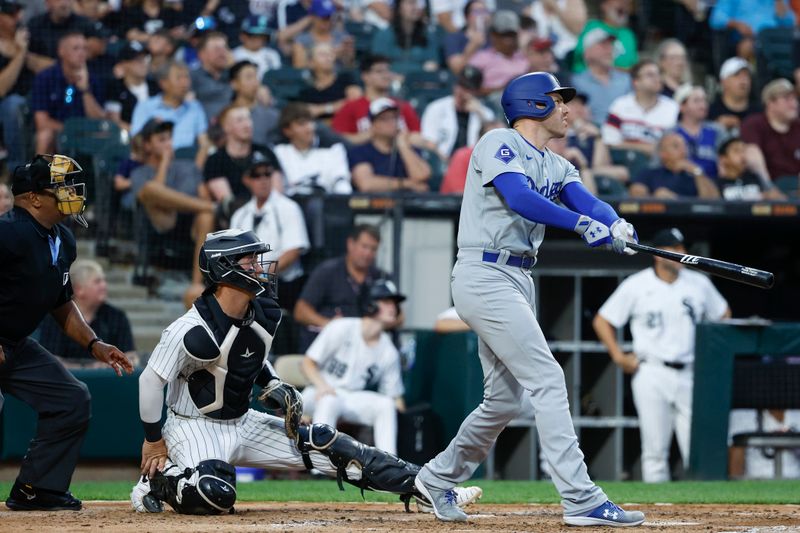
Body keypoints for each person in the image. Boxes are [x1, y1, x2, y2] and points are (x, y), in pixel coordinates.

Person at [412, 71, 645, 526]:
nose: (568, 109)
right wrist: (580, 226)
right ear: (534, 105)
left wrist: (615, 223)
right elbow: (518, 196)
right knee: (547, 378)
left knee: (503, 401)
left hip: (518, 279)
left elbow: (587, 200)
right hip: (483, 272)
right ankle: (580, 498)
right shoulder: (497, 141)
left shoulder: (557, 163)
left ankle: (438, 478)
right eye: (559, 101)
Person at [129, 229, 482, 515]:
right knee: (214, 493)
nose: (259, 266)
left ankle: (428, 486)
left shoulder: (263, 311)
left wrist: (273, 383)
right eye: (250, 260)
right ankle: (158, 481)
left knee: (331, 443)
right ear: (225, 269)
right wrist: (153, 440)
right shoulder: (190, 329)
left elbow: (248, 356)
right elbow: (150, 379)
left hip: (242, 422)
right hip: (193, 426)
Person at [0, 154, 133, 511]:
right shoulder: (8, 232)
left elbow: (61, 303)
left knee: (70, 399)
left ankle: (37, 488)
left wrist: (94, 342)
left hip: (13, 345)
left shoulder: (62, 239)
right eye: (61, 186)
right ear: (34, 198)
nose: (72, 192)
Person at [593, 227, 731, 482]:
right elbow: (603, 320)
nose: (682, 254)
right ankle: (658, 516)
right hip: (651, 372)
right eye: (675, 249)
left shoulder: (698, 283)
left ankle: (705, 512)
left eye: (682, 248)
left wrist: (710, 358)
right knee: (654, 450)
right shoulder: (637, 285)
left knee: (696, 449)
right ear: (658, 254)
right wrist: (618, 356)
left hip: (691, 372)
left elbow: (723, 316)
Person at [301, 280, 407, 455]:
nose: (393, 308)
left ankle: (388, 464)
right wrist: (322, 386)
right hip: (317, 393)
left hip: (350, 398)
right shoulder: (341, 327)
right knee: (330, 400)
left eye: (395, 304)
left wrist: (403, 415)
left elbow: (393, 395)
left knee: (385, 405)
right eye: (387, 302)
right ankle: (320, 465)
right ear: (370, 304)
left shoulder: (388, 350)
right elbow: (308, 362)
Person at [229, 153, 310, 311]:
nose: (263, 180)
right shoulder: (240, 215)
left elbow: (293, 252)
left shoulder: (288, 207)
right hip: (247, 283)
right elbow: (232, 255)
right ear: (247, 180)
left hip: (282, 285)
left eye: (267, 173)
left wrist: (263, 276)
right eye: (256, 175)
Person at [294, 224, 389, 352]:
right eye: (364, 246)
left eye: (373, 249)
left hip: (365, 347)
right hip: (328, 346)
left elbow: (399, 317)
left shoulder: (380, 277)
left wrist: (378, 322)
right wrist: (330, 325)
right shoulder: (327, 271)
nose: (368, 253)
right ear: (351, 244)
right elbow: (301, 311)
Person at [37, 259, 139, 367]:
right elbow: (50, 360)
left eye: (104, 280)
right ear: (79, 289)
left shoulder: (117, 317)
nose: (104, 285)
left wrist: (117, 364)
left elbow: (131, 356)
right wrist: (88, 368)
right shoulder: (57, 317)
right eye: (97, 281)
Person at [31, 31, 106, 155]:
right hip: (58, 131)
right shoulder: (45, 78)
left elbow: (99, 121)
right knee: (45, 135)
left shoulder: (94, 80)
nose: (82, 53)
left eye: (84, 48)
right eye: (76, 48)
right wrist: (71, 130)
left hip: (87, 133)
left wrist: (85, 90)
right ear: (61, 51)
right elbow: (42, 122)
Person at [131, 59, 210, 170]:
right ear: (164, 83)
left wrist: (195, 171)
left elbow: (204, 144)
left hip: (187, 165)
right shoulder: (145, 107)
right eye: (179, 78)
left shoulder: (195, 107)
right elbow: (137, 141)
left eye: (186, 77)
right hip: (155, 165)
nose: (185, 83)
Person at [331, 55, 421, 145]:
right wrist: (371, 134)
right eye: (379, 71)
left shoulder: (403, 106)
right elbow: (337, 139)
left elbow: (418, 136)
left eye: (388, 71)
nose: (386, 75)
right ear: (365, 76)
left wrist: (400, 136)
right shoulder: (351, 107)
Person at [349, 98, 432, 192]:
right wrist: (409, 183)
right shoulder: (361, 151)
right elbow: (366, 184)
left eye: (394, 117)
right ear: (372, 124)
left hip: (407, 204)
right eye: (384, 119)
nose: (391, 123)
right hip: (375, 204)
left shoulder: (408, 148)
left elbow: (421, 176)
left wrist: (403, 146)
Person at [203, 104, 281, 204]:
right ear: (226, 127)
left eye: (248, 119)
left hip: (271, 210)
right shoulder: (215, 160)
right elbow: (227, 202)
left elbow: (277, 194)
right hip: (237, 214)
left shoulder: (265, 152)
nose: (247, 124)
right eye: (239, 120)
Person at [602, 59, 679, 157]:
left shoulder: (673, 108)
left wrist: (628, 145)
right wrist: (648, 148)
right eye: (650, 75)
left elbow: (672, 148)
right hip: (623, 161)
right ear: (636, 82)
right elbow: (610, 142)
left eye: (658, 74)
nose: (657, 79)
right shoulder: (620, 105)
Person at [273, 102, 352, 195]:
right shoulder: (278, 152)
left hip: (326, 204)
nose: (309, 128)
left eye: (310, 122)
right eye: (301, 124)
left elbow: (341, 183)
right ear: (287, 131)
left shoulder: (333, 148)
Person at [421, 65, 493, 160]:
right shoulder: (436, 108)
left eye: (467, 88)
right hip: (442, 164)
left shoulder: (484, 113)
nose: (461, 92)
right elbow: (429, 143)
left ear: (476, 91)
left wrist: (479, 113)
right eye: (460, 85)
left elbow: (493, 143)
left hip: (473, 166)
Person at [741, 78, 800, 182]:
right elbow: (752, 154)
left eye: (795, 99)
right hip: (770, 185)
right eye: (787, 99)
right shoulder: (754, 124)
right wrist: (768, 188)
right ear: (770, 103)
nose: (794, 104)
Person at [629, 132, 720, 199]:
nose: (683, 150)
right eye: (676, 146)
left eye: (685, 146)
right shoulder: (649, 173)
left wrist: (697, 171)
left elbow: (713, 201)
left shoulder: (696, 175)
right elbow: (636, 194)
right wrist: (655, 199)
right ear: (662, 153)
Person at [0, 0, 35, 173]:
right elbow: (1, 88)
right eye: (12, 14)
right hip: (5, 104)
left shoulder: (27, 36)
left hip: (33, 99)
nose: (18, 18)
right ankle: (18, 169)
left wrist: (22, 52)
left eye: (19, 13)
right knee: (13, 105)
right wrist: (19, 55)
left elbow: (55, 66)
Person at [570, 28, 631, 125]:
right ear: (587, 52)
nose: (609, 49)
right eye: (603, 45)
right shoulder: (576, 81)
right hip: (591, 134)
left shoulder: (626, 79)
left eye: (611, 45)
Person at [296, 42, 362, 122]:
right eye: (322, 55)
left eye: (330, 54)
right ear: (311, 62)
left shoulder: (346, 78)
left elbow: (356, 101)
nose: (328, 58)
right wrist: (338, 106)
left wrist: (322, 109)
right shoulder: (306, 90)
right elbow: (306, 112)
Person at [466, 10, 528, 96]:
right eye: (505, 35)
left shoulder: (525, 57)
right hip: (492, 103)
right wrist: (505, 88)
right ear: (493, 35)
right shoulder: (481, 58)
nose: (510, 40)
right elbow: (468, 90)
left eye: (512, 35)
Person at [104, 40, 159, 131]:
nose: (143, 63)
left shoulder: (155, 86)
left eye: (145, 58)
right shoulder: (116, 88)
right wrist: (139, 134)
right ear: (124, 64)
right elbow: (114, 121)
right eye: (138, 60)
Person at [370, 0, 441, 70]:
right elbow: (379, 67)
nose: (417, 7)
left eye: (419, 3)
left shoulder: (427, 35)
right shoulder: (384, 35)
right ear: (398, 7)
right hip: (390, 80)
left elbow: (432, 65)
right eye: (411, 3)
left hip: (420, 80)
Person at [572, 0, 638, 73]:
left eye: (626, 3)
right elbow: (582, 56)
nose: (623, 4)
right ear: (604, 5)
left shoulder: (628, 34)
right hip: (588, 79)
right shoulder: (591, 26)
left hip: (621, 81)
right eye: (618, 1)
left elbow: (633, 67)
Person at [673, 84, 723, 178]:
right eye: (696, 101)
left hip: (712, 184)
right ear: (682, 106)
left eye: (704, 100)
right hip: (679, 184)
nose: (703, 105)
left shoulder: (717, 130)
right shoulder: (671, 133)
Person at [717, 137, 786, 200]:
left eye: (743, 151)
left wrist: (770, 195)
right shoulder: (717, 184)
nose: (742, 155)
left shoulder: (755, 177)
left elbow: (778, 197)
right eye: (736, 151)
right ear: (723, 159)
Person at [190, 31, 233, 124]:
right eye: (217, 50)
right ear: (202, 54)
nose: (222, 53)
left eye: (225, 48)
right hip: (204, 127)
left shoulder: (233, 75)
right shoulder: (192, 76)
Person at [708, 57, 759, 134]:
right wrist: (716, 127)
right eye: (736, 75)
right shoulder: (710, 112)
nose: (743, 80)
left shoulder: (759, 112)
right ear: (723, 81)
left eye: (746, 75)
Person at [232, 14, 282, 82]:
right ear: (243, 36)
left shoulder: (272, 54)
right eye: (255, 35)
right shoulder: (234, 55)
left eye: (263, 36)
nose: (259, 39)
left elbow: (278, 79)